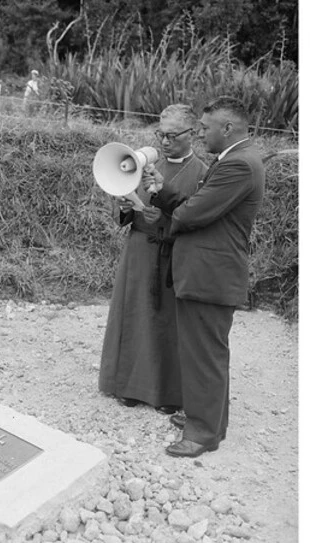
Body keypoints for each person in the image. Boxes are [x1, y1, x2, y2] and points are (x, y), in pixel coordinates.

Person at [142, 96, 265, 458]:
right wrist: (161, 192)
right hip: (210, 274)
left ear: (227, 128)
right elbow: (194, 205)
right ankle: (209, 418)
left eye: (207, 128)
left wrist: (171, 211)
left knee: (204, 355)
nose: (202, 134)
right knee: (206, 353)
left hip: (210, 276)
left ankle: (202, 433)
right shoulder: (235, 160)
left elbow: (193, 213)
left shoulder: (238, 165)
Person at [99, 104, 208, 415]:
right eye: (161, 133)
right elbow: (123, 208)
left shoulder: (202, 173)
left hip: (171, 254)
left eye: (173, 135)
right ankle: (128, 387)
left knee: (165, 323)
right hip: (137, 250)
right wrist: (123, 207)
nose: (165, 141)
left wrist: (165, 219)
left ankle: (166, 393)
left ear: (192, 135)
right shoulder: (143, 162)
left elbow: (198, 218)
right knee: (133, 316)